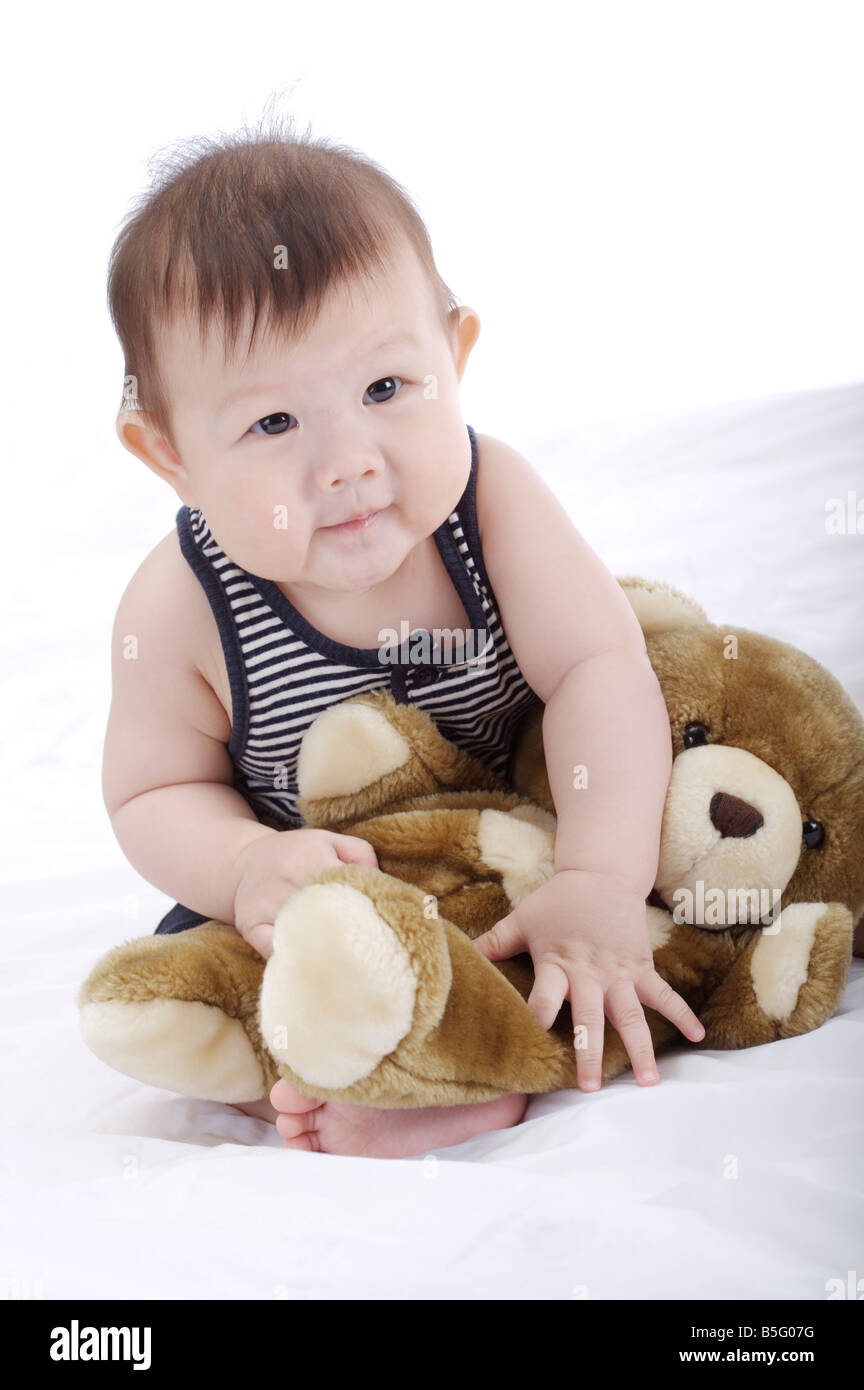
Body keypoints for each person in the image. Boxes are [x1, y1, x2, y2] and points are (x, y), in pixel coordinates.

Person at [101, 115, 705, 1157]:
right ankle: (351, 1073)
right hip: (323, 892)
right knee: (227, 967)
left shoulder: (494, 504)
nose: (347, 461)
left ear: (454, 356)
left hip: (513, 850)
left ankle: (478, 1041)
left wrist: (599, 880)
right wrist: (248, 865)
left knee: (645, 883)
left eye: (386, 389)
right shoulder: (181, 605)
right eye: (272, 425)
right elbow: (151, 793)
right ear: (170, 457)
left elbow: (599, 669)